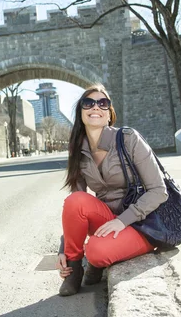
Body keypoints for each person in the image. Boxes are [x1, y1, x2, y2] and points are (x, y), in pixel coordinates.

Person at [56, 84, 168, 296]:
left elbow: (158, 190)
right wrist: (65, 249)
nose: (95, 107)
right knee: (75, 201)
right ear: (81, 113)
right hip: (107, 219)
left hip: (142, 223)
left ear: (109, 114)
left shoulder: (128, 139)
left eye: (103, 103)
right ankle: (74, 271)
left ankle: (97, 262)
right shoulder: (78, 150)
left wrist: (123, 220)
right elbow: (75, 209)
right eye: (88, 103)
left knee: (96, 252)